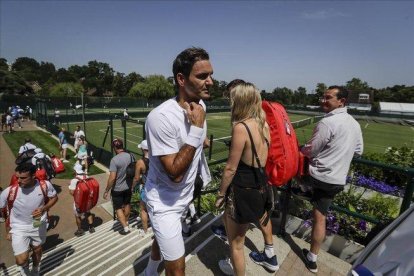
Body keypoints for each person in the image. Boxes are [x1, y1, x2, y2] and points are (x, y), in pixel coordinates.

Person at [141, 47, 213, 276]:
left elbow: (195, 144)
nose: (210, 82)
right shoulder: (160, 117)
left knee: (162, 240)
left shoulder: (200, 106)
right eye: (202, 76)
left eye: (211, 75)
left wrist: (198, 138)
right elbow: (175, 172)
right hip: (164, 204)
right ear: (181, 79)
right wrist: (197, 130)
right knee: (177, 269)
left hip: (184, 196)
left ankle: (149, 273)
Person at [211, 79, 279, 275]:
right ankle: (268, 253)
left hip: (243, 189)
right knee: (251, 226)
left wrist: (221, 194)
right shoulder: (263, 124)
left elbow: (230, 169)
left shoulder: (241, 127)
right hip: (261, 185)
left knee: (236, 244)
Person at [299, 86, 363, 273]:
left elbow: (310, 150)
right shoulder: (354, 123)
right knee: (321, 217)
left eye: (328, 98)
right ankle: (312, 258)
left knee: (292, 161)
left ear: (341, 101)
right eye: (323, 97)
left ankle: (302, 188)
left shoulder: (328, 123)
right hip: (337, 180)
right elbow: (359, 151)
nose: (323, 100)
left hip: (319, 178)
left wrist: (301, 150)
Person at [0, 163, 58, 276]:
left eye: (23, 178)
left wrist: (44, 208)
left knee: (37, 249)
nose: (18, 181)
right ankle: (24, 267)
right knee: (21, 260)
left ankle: (36, 269)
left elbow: (54, 197)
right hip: (18, 227)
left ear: (33, 176)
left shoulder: (44, 185)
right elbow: (4, 212)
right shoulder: (9, 191)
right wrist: (8, 231)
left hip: (38, 223)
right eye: (17, 177)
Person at [103, 138, 133, 235]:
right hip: (128, 186)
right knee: (127, 204)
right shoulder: (130, 156)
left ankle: (125, 228)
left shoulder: (114, 160)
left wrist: (106, 190)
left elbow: (112, 178)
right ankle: (126, 222)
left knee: (118, 208)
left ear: (115, 148)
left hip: (117, 189)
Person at [69, 163, 95, 237]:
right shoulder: (87, 176)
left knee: (77, 216)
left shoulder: (74, 180)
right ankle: (91, 227)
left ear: (75, 171)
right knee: (88, 212)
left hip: (79, 202)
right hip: (88, 200)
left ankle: (80, 230)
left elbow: (71, 192)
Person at [132, 140, 150, 236]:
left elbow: (136, 178)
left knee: (143, 210)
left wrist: (132, 187)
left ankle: (145, 231)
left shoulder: (140, 162)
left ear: (143, 149)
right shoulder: (158, 158)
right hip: (158, 189)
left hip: (147, 188)